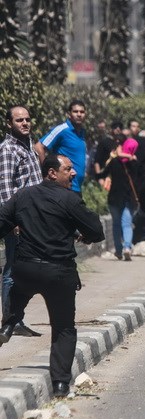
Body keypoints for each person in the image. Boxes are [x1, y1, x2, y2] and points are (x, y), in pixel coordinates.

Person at [0, 154, 104, 397]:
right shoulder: (69, 199)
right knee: (64, 328)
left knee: (19, 290)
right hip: (58, 273)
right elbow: (96, 231)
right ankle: (59, 385)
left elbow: (2, 222)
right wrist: (82, 232)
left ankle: (9, 323)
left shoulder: (23, 195)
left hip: (26, 268)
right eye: (68, 169)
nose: (74, 173)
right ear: (51, 173)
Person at [0, 105, 44, 337]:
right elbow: (6, 188)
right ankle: (10, 321)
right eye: (19, 120)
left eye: (27, 119)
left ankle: (16, 319)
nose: (25, 123)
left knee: (24, 269)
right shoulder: (8, 149)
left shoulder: (27, 146)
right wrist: (14, 219)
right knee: (13, 269)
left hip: (33, 217)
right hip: (18, 219)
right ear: (9, 124)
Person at [35, 100, 87, 195]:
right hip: (63, 187)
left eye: (82, 112)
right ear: (69, 114)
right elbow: (39, 147)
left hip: (76, 187)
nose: (79, 114)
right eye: (75, 111)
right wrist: (45, 173)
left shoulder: (82, 132)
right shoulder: (62, 130)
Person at [98, 134, 138, 261]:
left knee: (116, 224)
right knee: (127, 224)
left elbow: (101, 174)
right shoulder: (133, 162)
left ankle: (119, 251)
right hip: (128, 197)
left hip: (114, 197)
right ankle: (127, 247)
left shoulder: (113, 162)